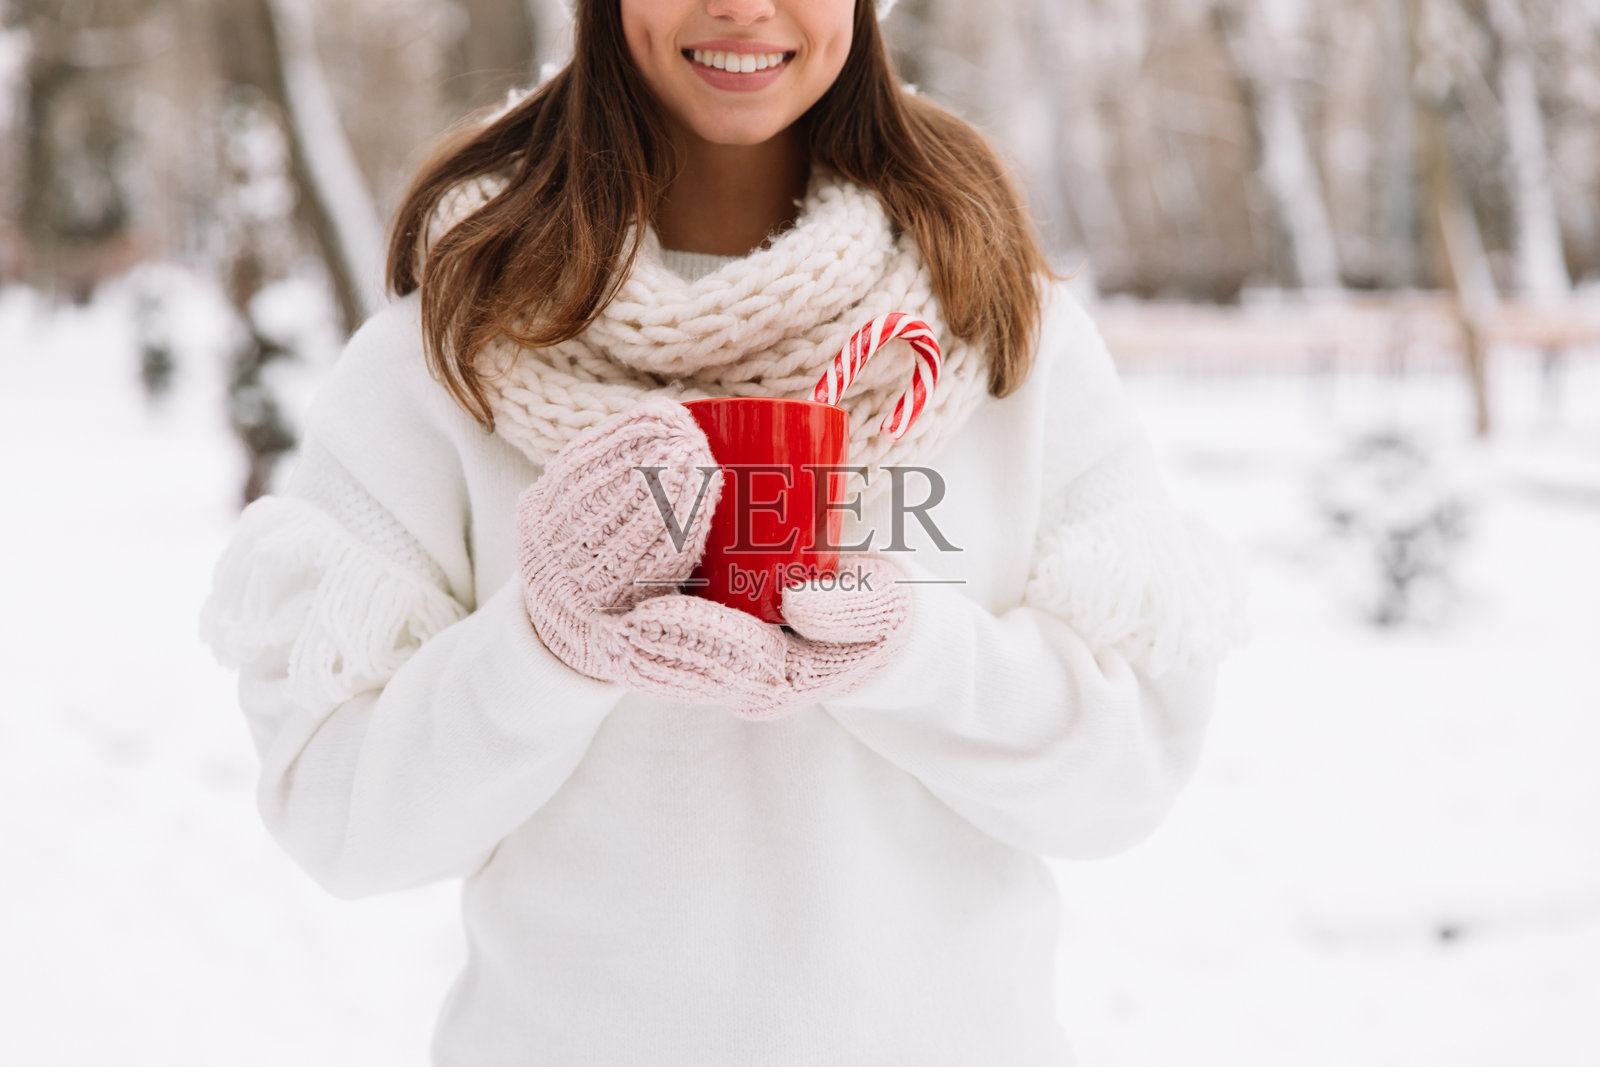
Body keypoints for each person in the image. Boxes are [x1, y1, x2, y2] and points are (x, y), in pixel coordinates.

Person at [198, 0, 1249, 1062]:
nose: (742, 6)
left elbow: (1131, 766)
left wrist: (910, 654)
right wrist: (540, 645)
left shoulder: (993, 323)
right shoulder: (458, 344)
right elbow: (336, 811)